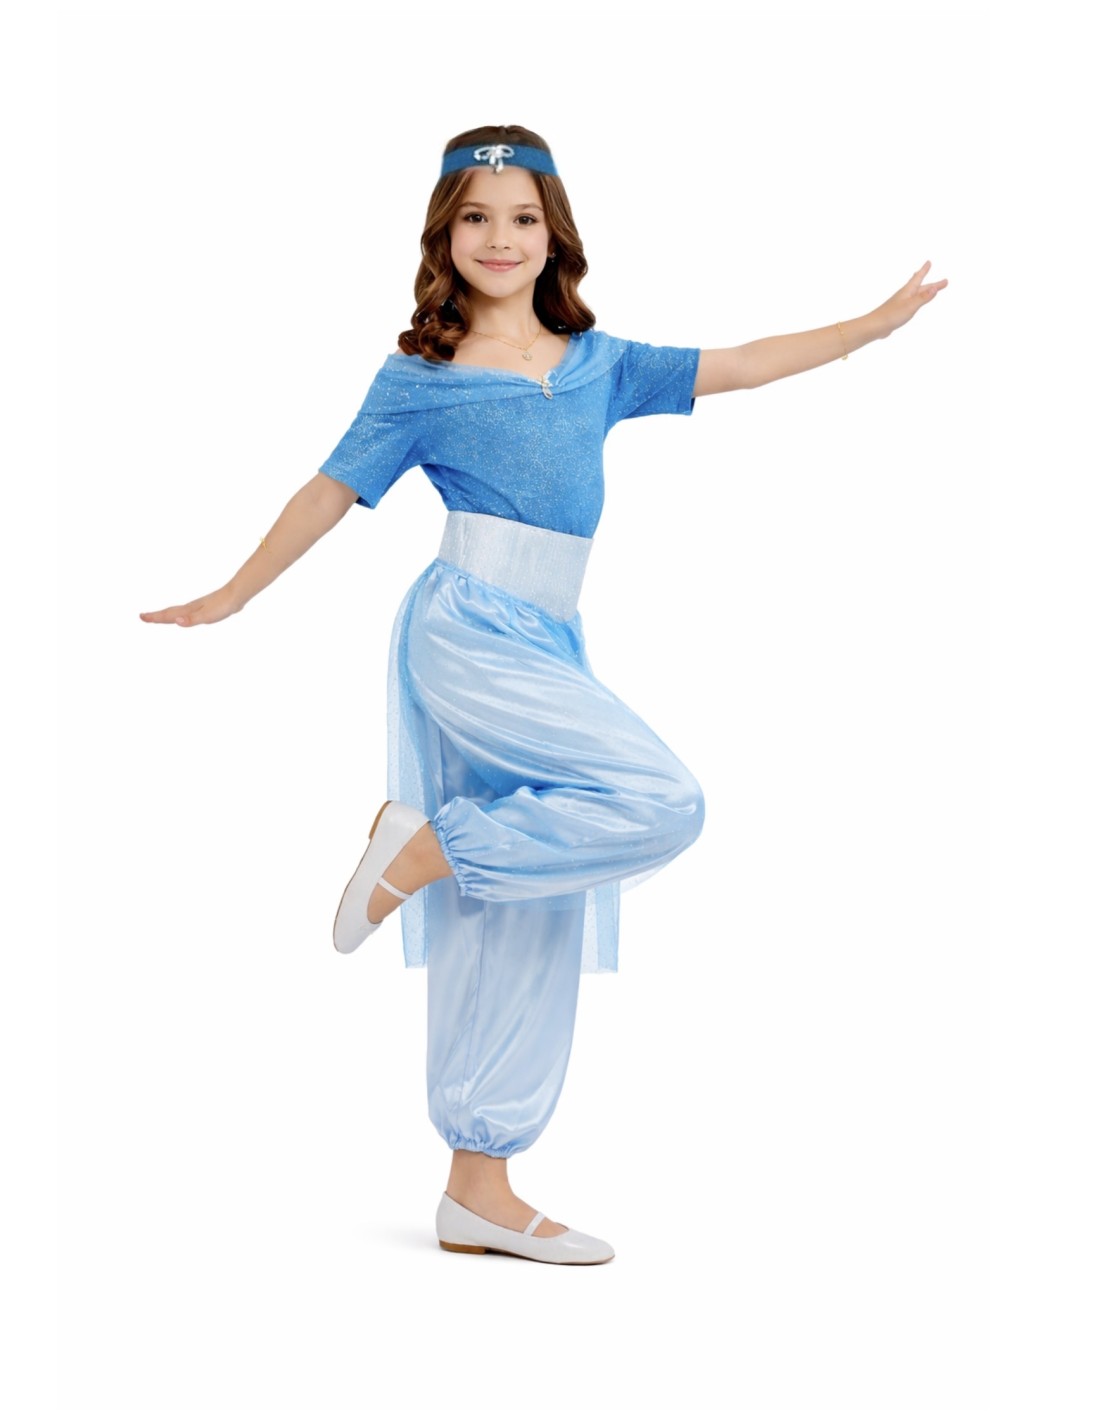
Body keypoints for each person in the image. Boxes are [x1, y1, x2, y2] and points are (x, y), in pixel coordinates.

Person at [139, 123, 947, 1266]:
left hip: (551, 638)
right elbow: (326, 492)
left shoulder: (596, 364)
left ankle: (477, 1187)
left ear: (552, 234)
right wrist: (232, 593)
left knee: (525, 904)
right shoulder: (419, 381)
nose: (500, 238)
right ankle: (423, 847)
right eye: (476, 217)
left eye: (521, 217)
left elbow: (740, 363)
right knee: (661, 798)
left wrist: (866, 328)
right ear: (444, 236)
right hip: (467, 627)